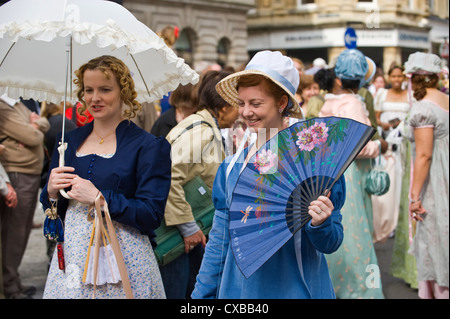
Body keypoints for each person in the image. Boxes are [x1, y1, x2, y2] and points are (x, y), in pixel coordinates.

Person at [191, 50, 346, 299]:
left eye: (256, 103)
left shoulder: (315, 162)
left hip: (298, 289)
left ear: (282, 103)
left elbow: (331, 242)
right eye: (241, 103)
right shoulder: (232, 167)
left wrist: (320, 224)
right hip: (241, 292)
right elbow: (220, 243)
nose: (246, 112)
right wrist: (200, 297)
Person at [40, 55, 171, 299]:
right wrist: (50, 192)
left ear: (124, 92)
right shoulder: (68, 141)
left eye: (105, 89)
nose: (95, 98)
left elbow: (151, 214)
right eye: (89, 90)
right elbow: (54, 211)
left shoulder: (148, 146)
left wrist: (101, 198)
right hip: (74, 258)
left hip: (123, 260)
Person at [159, 70, 239, 299]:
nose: (241, 112)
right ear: (223, 107)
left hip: (186, 231)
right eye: (238, 104)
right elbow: (168, 175)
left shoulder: (206, 127)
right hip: (175, 235)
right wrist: (188, 227)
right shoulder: (201, 132)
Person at [319, 49, 385, 299]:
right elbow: (360, 146)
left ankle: (333, 285)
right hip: (352, 176)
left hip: (329, 171)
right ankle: (358, 289)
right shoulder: (353, 103)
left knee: (334, 225)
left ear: (338, 78)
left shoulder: (329, 102)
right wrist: (380, 146)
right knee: (355, 231)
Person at [404, 52, 448, 299]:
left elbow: (424, 156)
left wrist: (414, 196)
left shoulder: (423, 109)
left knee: (435, 240)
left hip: (434, 183)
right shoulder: (445, 99)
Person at [0, 94, 50, 299]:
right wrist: (34, 129)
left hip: (28, 172)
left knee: (21, 232)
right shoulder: (4, 107)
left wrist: (35, 126)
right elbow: (33, 137)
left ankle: (14, 282)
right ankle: (9, 285)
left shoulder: (17, 103)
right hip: (18, 172)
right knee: (14, 232)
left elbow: (44, 122)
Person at [372, 64, 411, 243]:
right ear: (389, 77)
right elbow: (376, 117)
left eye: (399, 76)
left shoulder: (409, 95)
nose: (396, 79)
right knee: (389, 181)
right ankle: (387, 221)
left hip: (403, 143)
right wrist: (386, 125)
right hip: (387, 142)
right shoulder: (382, 95)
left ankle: (401, 220)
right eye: (393, 76)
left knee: (402, 180)